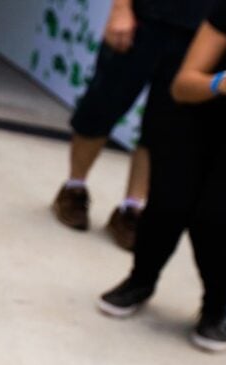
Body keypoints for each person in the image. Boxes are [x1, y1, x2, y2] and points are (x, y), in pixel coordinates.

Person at [97, 0, 226, 352]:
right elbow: (183, 86)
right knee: (168, 204)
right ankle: (140, 280)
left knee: (215, 217)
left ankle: (218, 307)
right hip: (198, 114)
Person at [53, 0, 213, 250]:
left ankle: (131, 209)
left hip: (200, 33)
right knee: (101, 105)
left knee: (163, 125)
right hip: (143, 18)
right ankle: (74, 187)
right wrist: (121, 8)